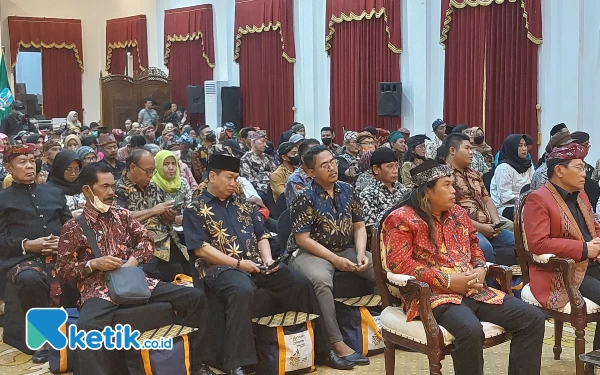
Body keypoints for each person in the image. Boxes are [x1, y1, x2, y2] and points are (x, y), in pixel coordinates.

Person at [183, 153, 354, 374]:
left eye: (236, 178)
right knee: (242, 290)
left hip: (256, 264)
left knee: (299, 283)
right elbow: (201, 249)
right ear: (212, 176)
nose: (234, 183)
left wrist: (268, 259)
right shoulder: (195, 209)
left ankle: (323, 349)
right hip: (221, 269)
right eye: (229, 178)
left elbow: (262, 235)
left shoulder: (243, 205)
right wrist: (237, 264)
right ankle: (239, 363)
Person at [382, 159, 545, 375]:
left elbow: (475, 248)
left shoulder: (458, 214)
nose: (454, 191)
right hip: (431, 297)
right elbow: (401, 265)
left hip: (473, 290)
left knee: (532, 318)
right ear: (427, 191)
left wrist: (480, 270)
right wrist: (448, 281)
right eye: (447, 185)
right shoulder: (402, 218)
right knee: (470, 330)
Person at [56, 162, 214, 375]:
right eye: (104, 187)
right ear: (86, 190)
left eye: (112, 186)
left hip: (136, 281)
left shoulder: (122, 215)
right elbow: (63, 270)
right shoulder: (73, 227)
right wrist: (93, 264)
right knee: (87, 327)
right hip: (98, 289)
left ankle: (197, 364)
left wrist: (133, 261)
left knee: (194, 297)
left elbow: (146, 240)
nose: (111, 192)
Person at [288, 145, 375, 366]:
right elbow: (303, 239)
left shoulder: (348, 189)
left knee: (381, 267)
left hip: (345, 248)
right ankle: (336, 343)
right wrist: (335, 260)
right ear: (310, 172)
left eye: (333, 162)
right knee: (321, 280)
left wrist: (360, 253)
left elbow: (359, 226)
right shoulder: (304, 196)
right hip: (311, 253)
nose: (332, 168)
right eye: (324, 165)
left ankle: (395, 327)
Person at [0, 144, 74, 363]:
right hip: (22, 258)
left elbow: (70, 227)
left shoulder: (54, 192)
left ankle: (81, 331)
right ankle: (42, 340)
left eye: (32, 161)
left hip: (60, 253)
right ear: (8, 167)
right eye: (22, 162)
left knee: (84, 270)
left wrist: (62, 242)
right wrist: (30, 245)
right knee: (30, 278)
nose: (29, 166)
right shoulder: (3, 199)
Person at [523, 142, 600, 349]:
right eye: (579, 167)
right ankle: (593, 364)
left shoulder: (581, 195)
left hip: (590, 263)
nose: (585, 173)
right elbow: (538, 244)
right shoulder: (538, 199)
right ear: (559, 170)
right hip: (562, 271)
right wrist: (584, 249)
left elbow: (594, 227)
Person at [116, 149, 189, 281]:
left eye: (153, 171)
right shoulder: (118, 189)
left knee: (187, 269)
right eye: (148, 171)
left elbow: (166, 213)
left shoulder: (153, 187)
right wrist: (154, 211)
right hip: (139, 244)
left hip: (167, 239)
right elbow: (120, 218)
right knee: (155, 274)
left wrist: (169, 215)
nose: (151, 175)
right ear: (132, 167)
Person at [445, 133, 516, 265]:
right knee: (484, 248)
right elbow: (451, 211)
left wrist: (496, 222)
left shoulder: (474, 174)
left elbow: (487, 199)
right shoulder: (444, 176)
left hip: (489, 225)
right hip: (464, 228)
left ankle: (518, 282)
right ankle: (490, 283)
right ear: (452, 150)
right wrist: (481, 228)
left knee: (518, 241)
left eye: (472, 148)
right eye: (467, 148)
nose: (471, 152)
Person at [359, 148, 408, 227]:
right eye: (390, 166)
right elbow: (373, 230)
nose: (395, 171)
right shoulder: (368, 194)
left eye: (396, 166)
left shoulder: (403, 189)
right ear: (376, 169)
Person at [490, 134, 534, 221]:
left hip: (525, 203)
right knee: (531, 213)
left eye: (525, 145)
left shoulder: (528, 165)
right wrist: (526, 201)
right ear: (512, 147)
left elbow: (533, 185)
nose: (524, 149)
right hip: (505, 207)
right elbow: (505, 197)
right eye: (520, 146)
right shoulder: (504, 167)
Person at [47, 150, 86, 216]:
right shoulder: (48, 190)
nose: (73, 173)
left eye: (77, 169)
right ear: (60, 169)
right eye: (69, 169)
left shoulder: (84, 185)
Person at [284, 138, 320, 206]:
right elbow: (305, 205)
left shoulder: (322, 173)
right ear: (303, 158)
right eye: (315, 156)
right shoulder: (295, 179)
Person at [239, 130, 276, 195]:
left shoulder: (268, 157)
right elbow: (247, 181)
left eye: (265, 142)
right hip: (258, 191)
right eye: (262, 141)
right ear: (253, 142)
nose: (265, 145)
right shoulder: (245, 159)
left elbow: (275, 173)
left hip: (273, 187)